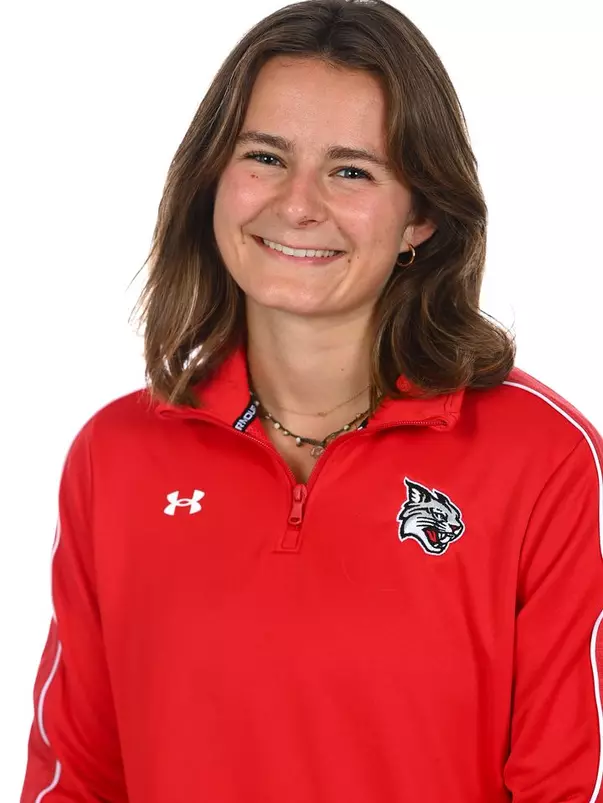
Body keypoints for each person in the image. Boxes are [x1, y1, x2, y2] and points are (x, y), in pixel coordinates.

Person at [20, 0, 603, 801]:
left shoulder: (542, 457)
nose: (297, 204)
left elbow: (575, 782)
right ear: (211, 181)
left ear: (422, 217)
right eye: (264, 156)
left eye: (351, 170)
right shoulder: (114, 455)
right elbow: (75, 777)